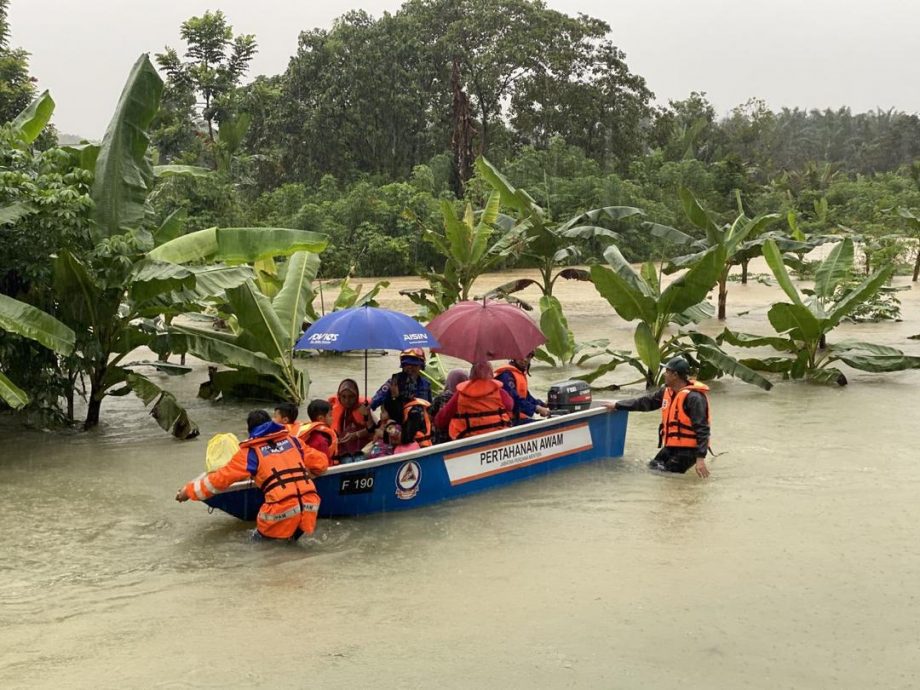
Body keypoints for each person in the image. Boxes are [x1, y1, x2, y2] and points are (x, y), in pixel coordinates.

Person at [175, 410, 329, 540]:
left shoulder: (249, 452)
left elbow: (219, 480)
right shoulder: (294, 442)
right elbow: (321, 462)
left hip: (280, 513)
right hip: (310, 507)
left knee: (255, 549)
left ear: (250, 431)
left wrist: (187, 491)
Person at [605, 356, 711, 478]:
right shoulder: (666, 392)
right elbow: (645, 402)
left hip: (690, 449)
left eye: (667, 372)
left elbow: (703, 429)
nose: (664, 375)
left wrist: (700, 459)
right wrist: (618, 405)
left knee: (667, 476)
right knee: (653, 468)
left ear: (675, 375)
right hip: (673, 446)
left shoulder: (694, 398)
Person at [435, 362, 513, 440]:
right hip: (498, 435)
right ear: (491, 374)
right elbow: (510, 405)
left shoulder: (461, 393)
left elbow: (441, 420)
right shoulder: (498, 391)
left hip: (468, 439)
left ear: (471, 375)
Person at [370, 348, 433, 425]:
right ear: (402, 365)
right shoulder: (393, 383)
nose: (410, 368)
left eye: (414, 365)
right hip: (396, 426)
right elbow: (373, 403)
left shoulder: (426, 384)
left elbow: (430, 408)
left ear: (421, 366)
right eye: (407, 364)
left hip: (420, 425)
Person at [272, 400, 338, 462]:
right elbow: (325, 463)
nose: (333, 418)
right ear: (320, 418)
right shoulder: (320, 441)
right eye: (330, 415)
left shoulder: (303, 430)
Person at [328, 379, 376, 464]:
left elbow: (373, 429)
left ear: (356, 396)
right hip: (342, 450)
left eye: (351, 397)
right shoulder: (331, 410)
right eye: (344, 397)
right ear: (339, 396)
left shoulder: (364, 408)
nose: (347, 400)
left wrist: (356, 435)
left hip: (361, 449)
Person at [495, 352, 549, 424]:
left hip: (518, 417)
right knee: (545, 424)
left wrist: (542, 405)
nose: (525, 359)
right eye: (521, 356)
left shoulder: (519, 372)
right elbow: (515, 400)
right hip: (508, 420)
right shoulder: (506, 376)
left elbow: (527, 397)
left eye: (528, 357)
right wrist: (536, 408)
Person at [430, 368, 468, 444]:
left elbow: (431, 416)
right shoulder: (468, 398)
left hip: (441, 440)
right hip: (460, 437)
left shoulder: (441, 397)